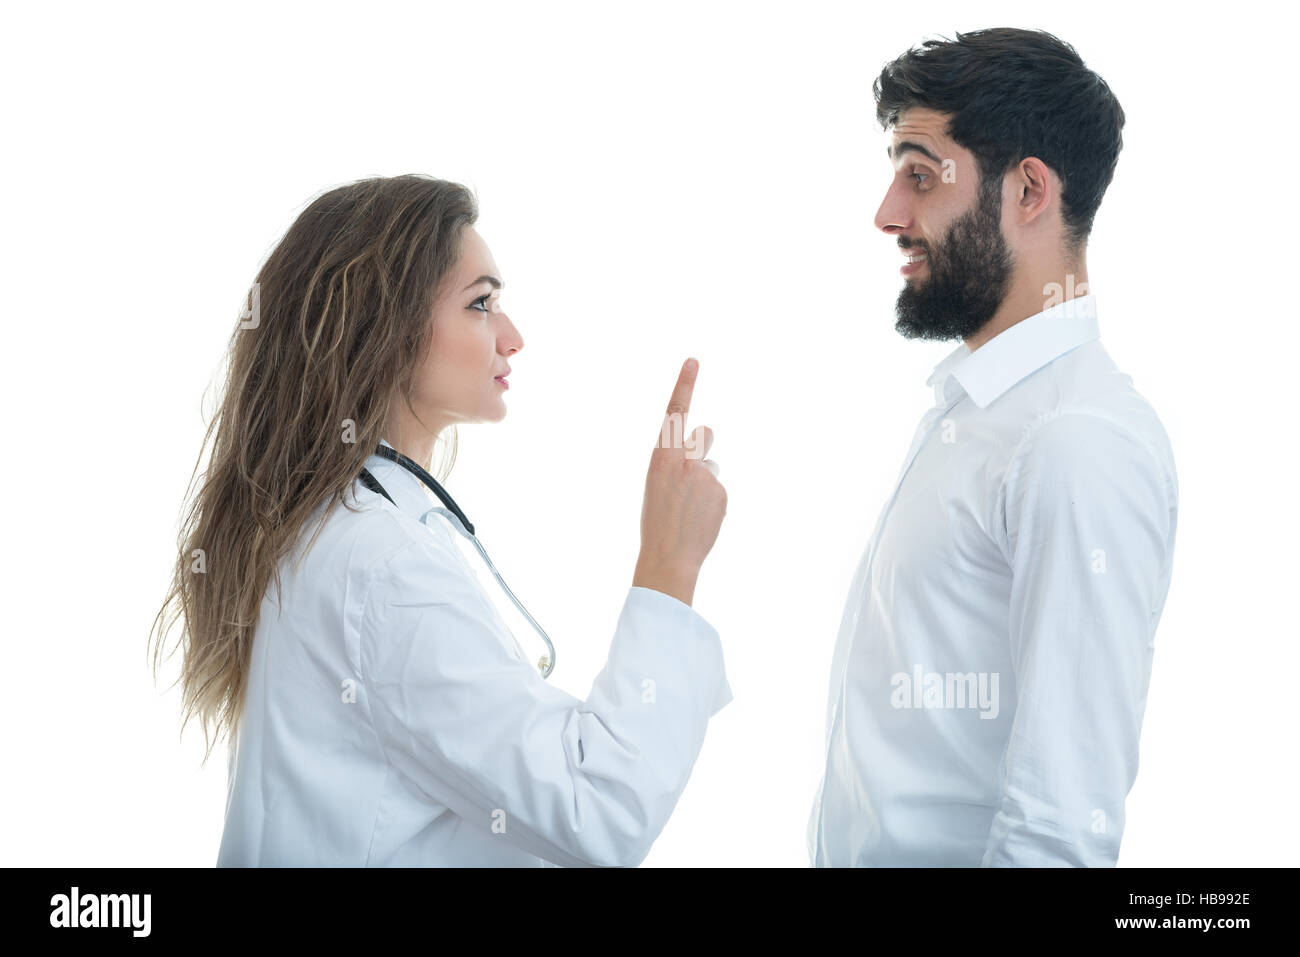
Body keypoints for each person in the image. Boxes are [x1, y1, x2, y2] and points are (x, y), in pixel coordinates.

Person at [149, 174, 731, 867]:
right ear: (384, 332)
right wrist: (669, 564)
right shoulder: (381, 563)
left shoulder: (344, 532)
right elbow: (595, 807)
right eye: (480, 304)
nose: (512, 337)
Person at [807, 28, 1179, 866]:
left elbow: (1060, 829)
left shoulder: (1073, 440)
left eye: (920, 172)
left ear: (1028, 190)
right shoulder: (981, 409)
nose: (887, 214)